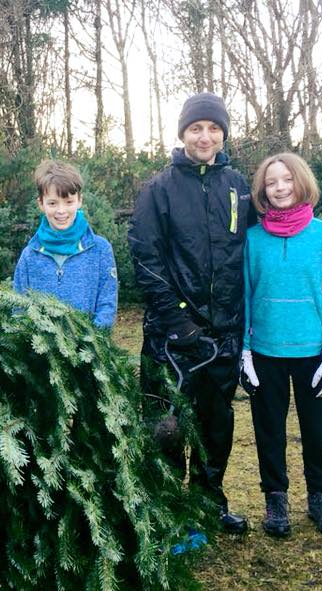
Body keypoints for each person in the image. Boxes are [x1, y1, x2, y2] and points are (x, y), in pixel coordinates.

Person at [128, 92, 255, 534]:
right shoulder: (158, 189)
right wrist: (178, 321)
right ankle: (164, 508)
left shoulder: (238, 186)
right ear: (182, 134)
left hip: (225, 332)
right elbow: (145, 259)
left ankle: (207, 501)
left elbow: (251, 253)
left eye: (214, 128)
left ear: (223, 134)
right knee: (166, 424)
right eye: (196, 128)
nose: (205, 136)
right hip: (172, 336)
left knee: (216, 423)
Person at [240, 152, 322, 538]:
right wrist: (245, 350)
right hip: (266, 353)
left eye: (287, 179)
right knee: (269, 430)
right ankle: (275, 501)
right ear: (263, 191)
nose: (280, 187)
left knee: (317, 432)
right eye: (272, 182)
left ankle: (319, 500)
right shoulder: (252, 240)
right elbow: (246, 297)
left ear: (301, 182)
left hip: (314, 354)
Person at [13, 160, 118, 329]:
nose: (61, 211)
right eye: (53, 203)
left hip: (88, 351)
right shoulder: (30, 255)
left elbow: (107, 304)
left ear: (79, 200)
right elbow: (19, 308)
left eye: (68, 202)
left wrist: (91, 343)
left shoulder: (100, 250)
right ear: (41, 203)